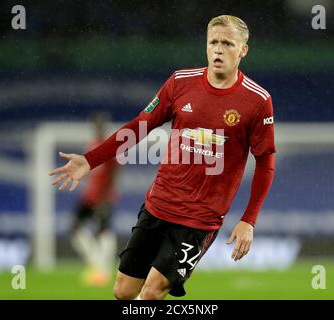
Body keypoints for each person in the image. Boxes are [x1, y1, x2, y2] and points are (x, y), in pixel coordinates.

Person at [50, 15, 276, 299]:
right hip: (158, 207)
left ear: (243, 49)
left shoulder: (257, 100)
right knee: (123, 291)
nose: (218, 49)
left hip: (198, 220)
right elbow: (139, 126)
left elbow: (266, 161)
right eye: (213, 42)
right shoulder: (181, 82)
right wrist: (91, 159)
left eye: (227, 43)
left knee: (152, 293)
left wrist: (249, 220)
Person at [70, 112, 118, 286]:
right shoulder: (91, 145)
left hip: (103, 197)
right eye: (96, 125)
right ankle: (96, 265)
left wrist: (107, 194)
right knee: (75, 227)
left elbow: (116, 172)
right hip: (90, 195)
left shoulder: (111, 147)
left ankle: (103, 271)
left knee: (104, 230)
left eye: (100, 125)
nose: (98, 128)